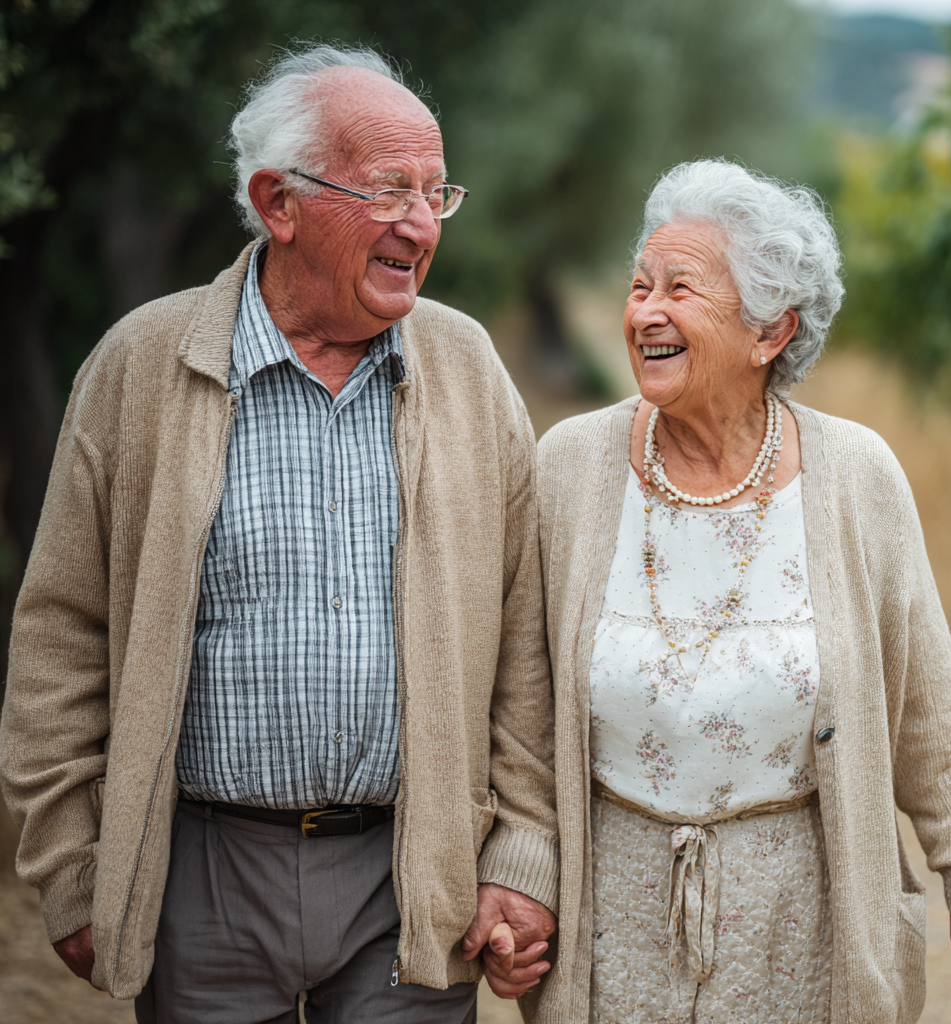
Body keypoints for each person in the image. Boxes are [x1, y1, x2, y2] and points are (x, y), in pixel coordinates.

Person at [0, 45, 558, 1023]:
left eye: (437, 194)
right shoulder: (140, 367)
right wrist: (74, 867)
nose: (422, 226)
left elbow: (525, 643)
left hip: (411, 872)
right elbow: (59, 636)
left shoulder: (468, 368)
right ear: (279, 203)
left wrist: (518, 854)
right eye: (391, 192)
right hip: (201, 875)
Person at [507, 159, 951, 1022]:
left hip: (801, 916)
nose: (645, 313)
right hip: (616, 916)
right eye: (639, 286)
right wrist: (518, 874)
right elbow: (520, 709)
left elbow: (925, 694)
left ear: (770, 332)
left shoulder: (857, 475)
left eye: (681, 290)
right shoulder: (569, 467)